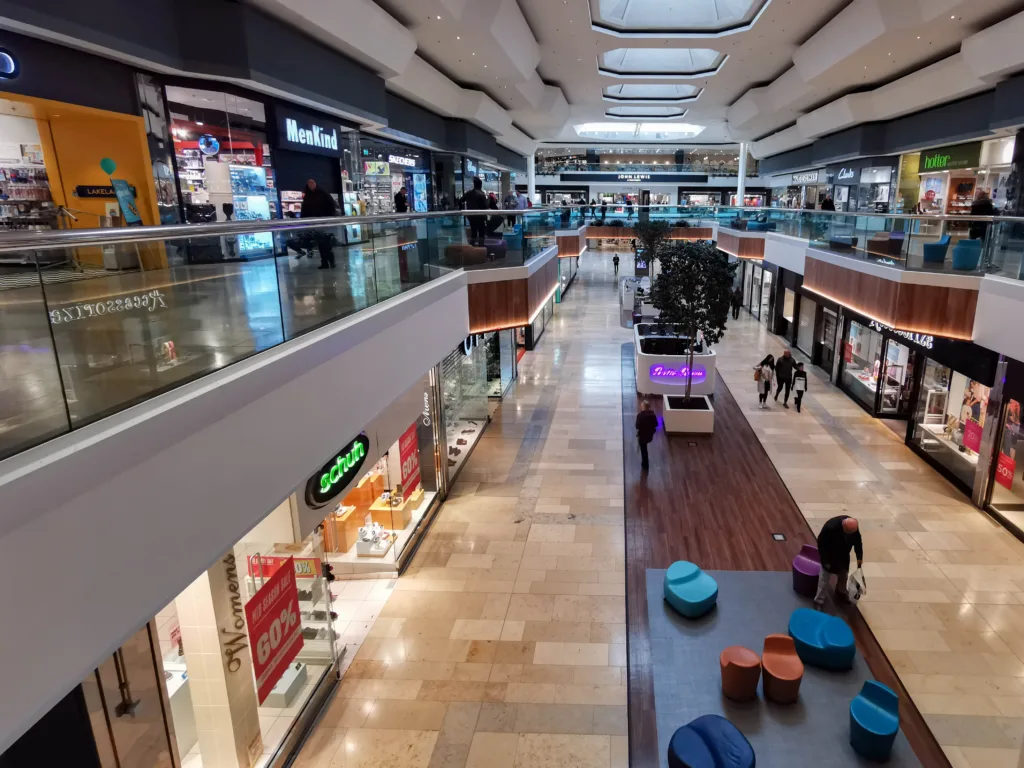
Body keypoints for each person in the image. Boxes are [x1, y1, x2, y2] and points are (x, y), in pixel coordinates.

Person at [815, 515, 863, 609]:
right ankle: (818, 600)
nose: (850, 534)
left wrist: (859, 559)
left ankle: (840, 592)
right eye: (848, 532)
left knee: (844, 575)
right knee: (824, 578)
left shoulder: (853, 528)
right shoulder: (830, 527)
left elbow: (858, 543)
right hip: (830, 555)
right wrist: (825, 561)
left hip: (843, 555)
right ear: (843, 526)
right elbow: (821, 544)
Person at [299, 178, 338, 269]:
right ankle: (324, 262)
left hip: (324, 222)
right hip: (315, 223)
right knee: (320, 244)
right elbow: (304, 208)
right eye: (309, 184)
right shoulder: (308, 196)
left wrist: (330, 218)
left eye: (312, 183)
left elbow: (331, 205)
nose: (311, 185)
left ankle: (331, 262)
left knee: (326, 244)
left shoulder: (323, 193)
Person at [460, 176, 489, 245]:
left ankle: (471, 249)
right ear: (480, 185)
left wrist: (463, 210)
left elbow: (460, 201)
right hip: (480, 216)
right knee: (481, 233)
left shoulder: (468, 193)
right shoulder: (481, 194)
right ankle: (481, 249)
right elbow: (485, 206)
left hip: (471, 216)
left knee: (474, 233)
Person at [635, 400, 658, 472]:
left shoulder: (640, 416)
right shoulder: (653, 415)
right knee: (644, 447)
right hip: (649, 434)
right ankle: (645, 463)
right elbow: (656, 424)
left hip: (642, 435)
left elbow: (637, 426)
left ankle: (645, 464)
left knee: (643, 449)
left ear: (644, 407)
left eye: (641, 405)